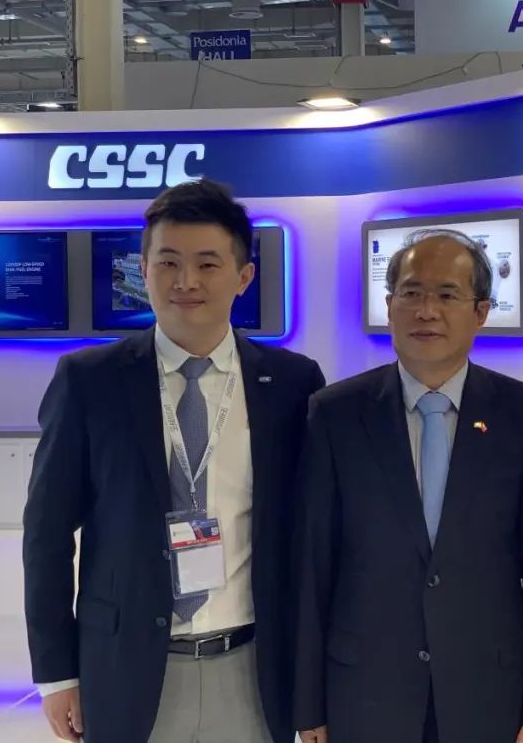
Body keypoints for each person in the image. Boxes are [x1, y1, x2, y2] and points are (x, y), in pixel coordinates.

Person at [23, 179, 325, 743]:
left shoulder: (292, 384)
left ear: (243, 276)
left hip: (255, 668)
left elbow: (313, 538)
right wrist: (57, 673)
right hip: (127, 668)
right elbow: (46, 534)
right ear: (143, 269)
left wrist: (315, 682)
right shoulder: (90, 382)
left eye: (208, 264)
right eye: (168, 262)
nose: (186, 281)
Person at [294, 231, 523, 743]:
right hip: (364, 692)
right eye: (412, 293)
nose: (427, 311)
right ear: (389, 305)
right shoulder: (335, 414)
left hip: (490, 696)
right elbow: (313, 565)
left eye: (447, 295)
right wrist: (308, 704)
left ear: (481, 312)